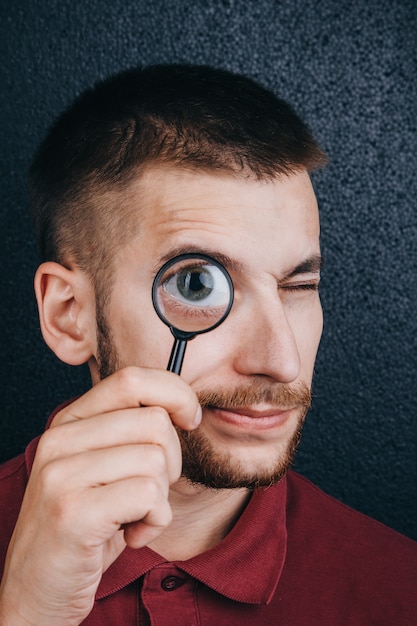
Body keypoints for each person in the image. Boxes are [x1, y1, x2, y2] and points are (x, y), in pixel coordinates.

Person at [0, 64, 416, 626]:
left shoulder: (398, 588)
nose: (280, 361)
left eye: (299, 286)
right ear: (69, 314)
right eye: (196, 283)